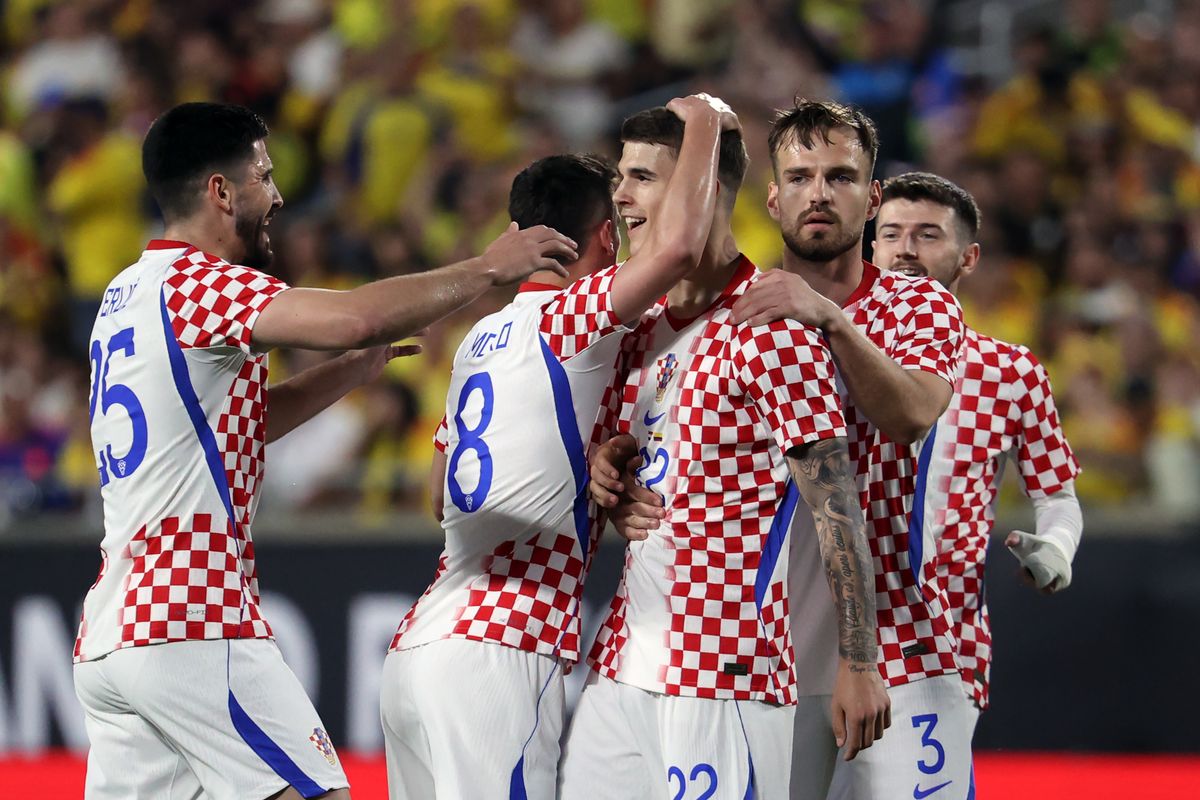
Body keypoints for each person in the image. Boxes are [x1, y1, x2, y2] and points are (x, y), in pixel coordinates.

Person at [71, 101, 576, 800]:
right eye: (264, 176)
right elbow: (353, 316)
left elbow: (228, 429)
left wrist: (346, 374)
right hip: (190, 619)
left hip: (112, 632)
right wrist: (488, 269)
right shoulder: (198, 283)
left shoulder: (124, 295)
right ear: (221, 192)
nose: (277, 195)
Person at [380, 93, 738, 800]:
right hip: (502, 647)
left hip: (418, 647)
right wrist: (703, 121)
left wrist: (583, 464)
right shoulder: (575, 316)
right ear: (602, 237)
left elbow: (436, 492)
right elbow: (677, 249)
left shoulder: (475, 341)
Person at [567, 102, 890, 800]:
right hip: (622, 664)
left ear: (703, 188)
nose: (621, 197)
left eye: (645, 178)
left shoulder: (771, 324)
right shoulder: (639, 326)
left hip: (722, 672)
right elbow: (658, 445)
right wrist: (614, 459)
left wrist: (858, 661)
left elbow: (837, 506)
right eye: (621, 177)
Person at [728, 100, 970, 799]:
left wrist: (829, 318)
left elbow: (913, 414)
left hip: (901, 643)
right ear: (773, 196)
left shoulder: (916, 305)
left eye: (840, 176)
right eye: (800, 176)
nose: (819, 193)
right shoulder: (736, 312)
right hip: (759, 646)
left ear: (873, 198)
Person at [871, 171, 1083, 730]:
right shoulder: (824, 350)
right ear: (871, 247)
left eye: (927, 235)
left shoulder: (1010, 372)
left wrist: (1058, 549)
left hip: (942, 650)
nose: (906, 250)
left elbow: (1057, 496)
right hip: (819, 647)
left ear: (969, 258)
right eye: (890, 234)